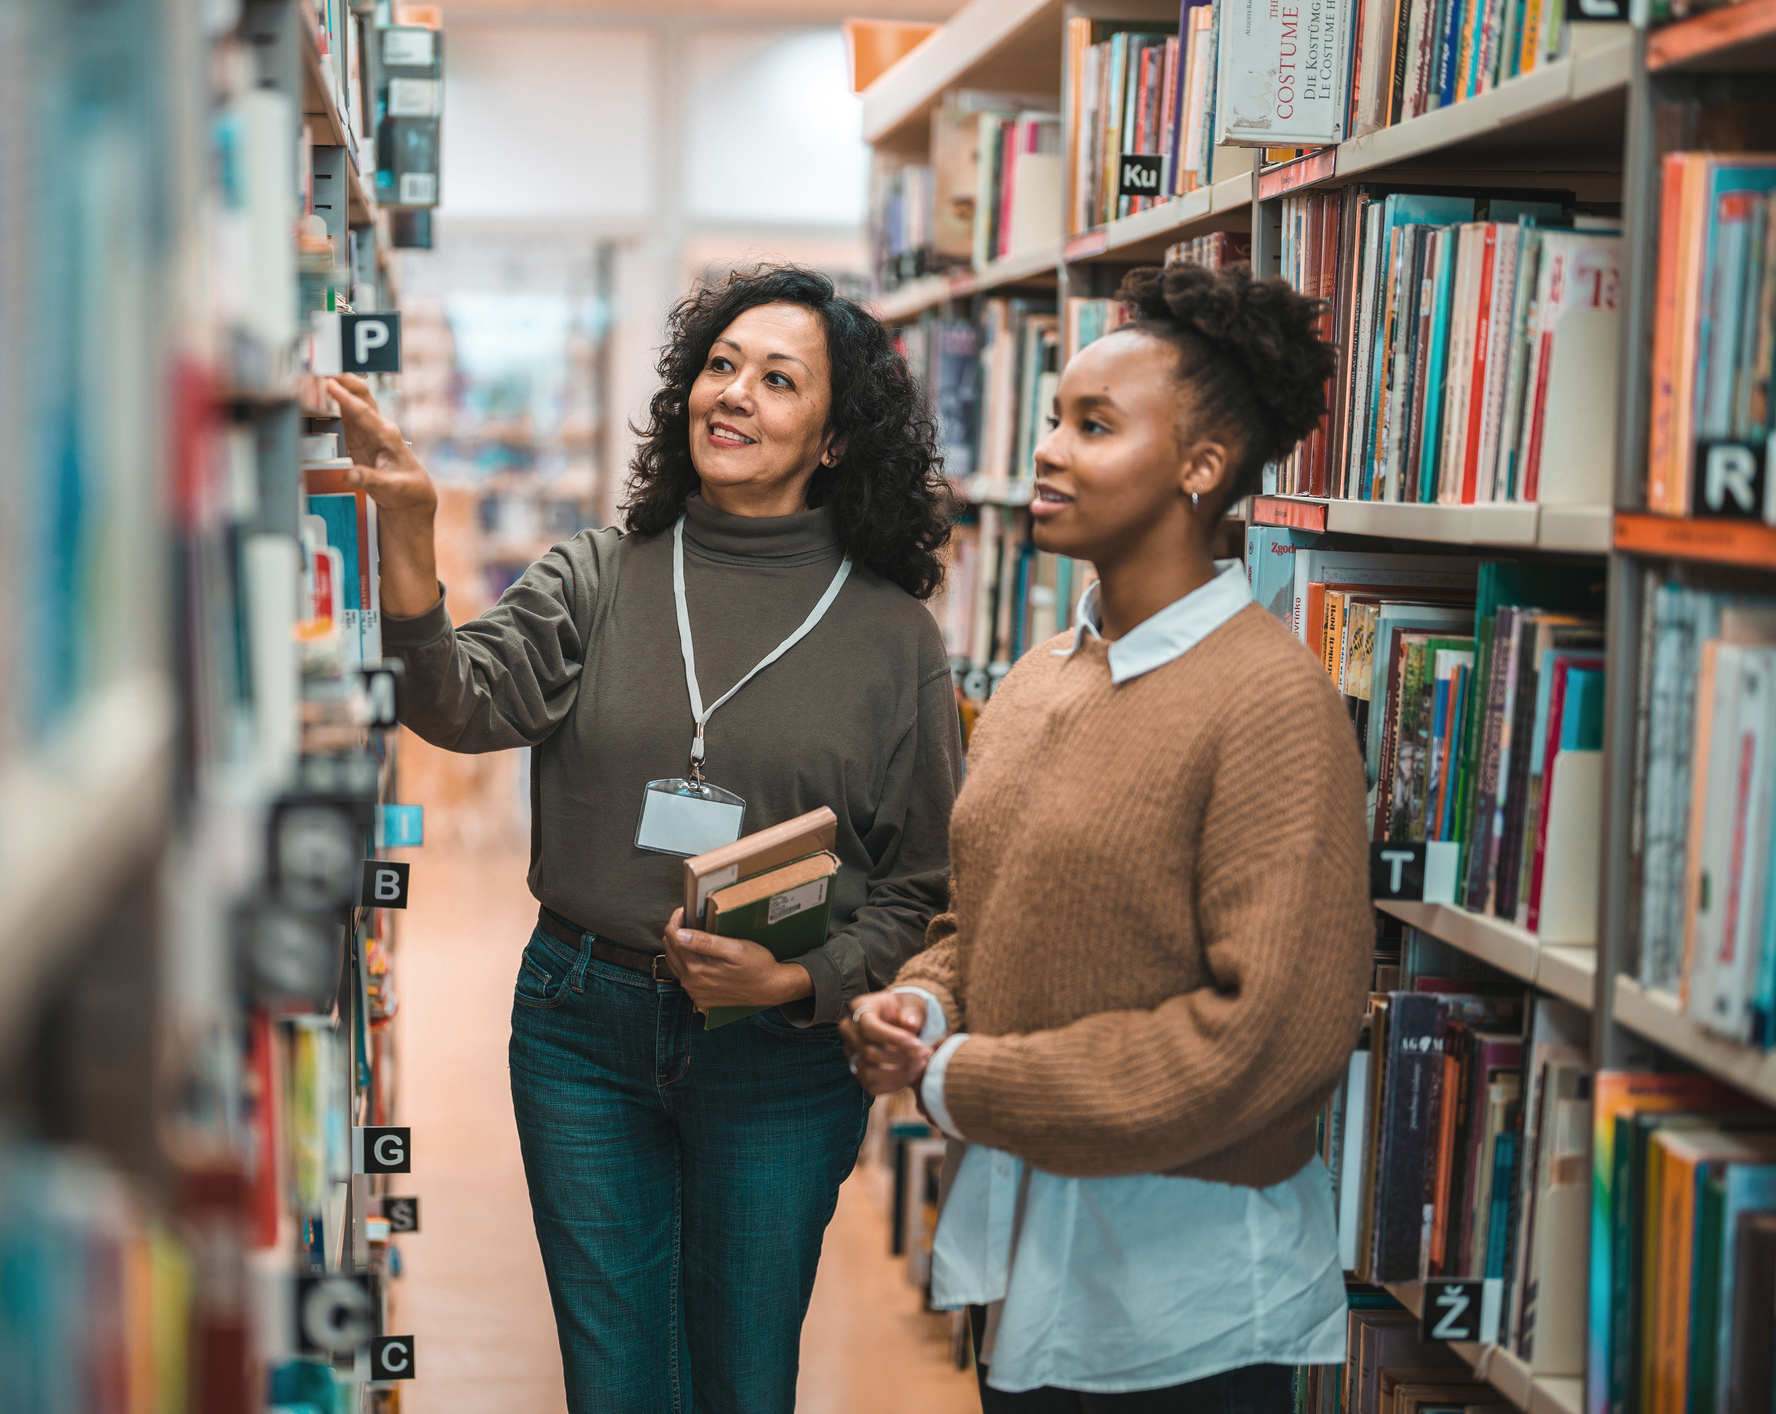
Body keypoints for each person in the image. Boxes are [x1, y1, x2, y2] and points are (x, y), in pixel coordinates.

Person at [325, 264, 959, 1414]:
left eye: (778, 378)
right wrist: (409, 545)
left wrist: (797, 978)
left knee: (741, 1378)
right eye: (720, 365)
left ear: (834, 439)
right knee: (613, 1382)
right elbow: (460, 706)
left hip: (779, 1052)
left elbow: (919, 886)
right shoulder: (598, 574)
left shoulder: (893, 637)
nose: (734, 393)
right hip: (583, 1026)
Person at [842, 263, 1372, 1413]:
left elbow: (1266, 1037)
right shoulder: (1042, 676)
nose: (1049, 451)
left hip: (1186, 1294)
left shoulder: (1273, 704)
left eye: (1094, 425)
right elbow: (980, 920)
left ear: (1202, 467)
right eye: (1051, 418)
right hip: (1034, 1253)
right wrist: (926, 1002)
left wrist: (968, 1079)